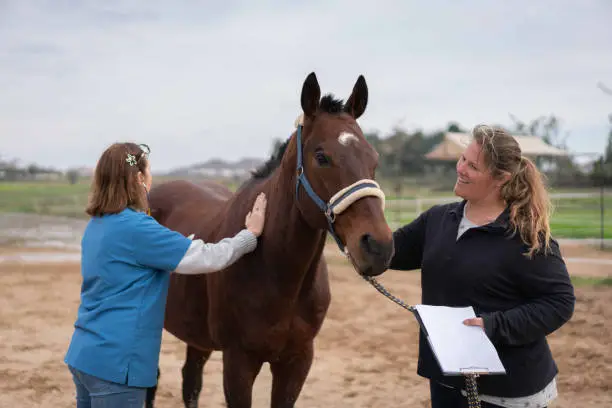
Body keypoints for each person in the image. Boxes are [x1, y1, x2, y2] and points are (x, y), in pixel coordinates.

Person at [64, 142, 267, 408]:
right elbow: (210, 257)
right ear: (138, 179)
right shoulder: (138, 228)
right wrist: (249, 235)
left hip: (85, 356)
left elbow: (133, 261)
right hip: (118, 365)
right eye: (148, 172)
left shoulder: (98, 223)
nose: (151, 178)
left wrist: (179, 245)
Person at [389, 125, 575, 408]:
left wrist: (493, 325)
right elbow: (387, 251)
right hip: (447, 380)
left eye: (472, 166)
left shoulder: (526, 236)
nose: (460, 168)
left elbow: (559, 303)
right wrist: (346, 214)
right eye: (463, 159)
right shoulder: (438, 219)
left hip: (509, 392)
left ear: (501, 178)